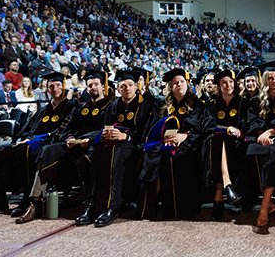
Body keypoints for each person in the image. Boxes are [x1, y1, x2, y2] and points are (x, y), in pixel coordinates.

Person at [14, 71, 111, 224]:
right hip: (73, 144)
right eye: (90, 85)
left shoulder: (110, 106)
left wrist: (90, 139)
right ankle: (36, 201)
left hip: (94, 146)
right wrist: (69, 138)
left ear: (103, 86)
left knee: (86, 159)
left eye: (96, 84)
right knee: (47, 150)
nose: (93, 88)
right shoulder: (81, 108)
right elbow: (68, 128)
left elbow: (106, 129)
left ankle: (90, 203)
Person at [0, 71, 76, 216]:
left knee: (25, 152)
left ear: (63, 87)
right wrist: (26, 138)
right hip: (32, 142)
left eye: (58, 85)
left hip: (51, 145)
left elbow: (65, 130)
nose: (55, 89)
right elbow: (28, 128)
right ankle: (0, 199)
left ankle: (26, 200)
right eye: (51, 86)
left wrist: (38, 139)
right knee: (1, 151)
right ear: (47, 89)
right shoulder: (43, 110)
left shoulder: (71, 107)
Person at [76, 68, 158, 227]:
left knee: (116, 154)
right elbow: (105, 126)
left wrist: (125, 136)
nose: (126, 88)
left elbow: (147, 133)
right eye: (122, 86)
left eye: (130, 85)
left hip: (134, 146)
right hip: (111, 143)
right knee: (98, 152)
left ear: (136, 86)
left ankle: (112, 206)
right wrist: (108, 134)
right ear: (118, 89)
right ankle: (92, 204)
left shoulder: (148, 106)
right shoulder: (113, 106)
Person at [139, 68, 205, 220]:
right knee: (153, 159)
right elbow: (155, 126)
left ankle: (183, 210)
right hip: (164, 142)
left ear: (187, 84)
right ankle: (151, 208)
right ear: (170, 86)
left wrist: (184, 136)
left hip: (188, 143)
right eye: (175, 83)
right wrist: (163, 138)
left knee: (180, 158)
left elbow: (199, 128)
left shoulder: (197, 104)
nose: (178, 85)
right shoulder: (163, 105)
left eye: (181, 82)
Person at [246, 61, 275, 234]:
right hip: (259, 136)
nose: (274, 81)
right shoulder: (255, 100)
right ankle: (271, 203)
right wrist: (262, 134)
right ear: (265, 80)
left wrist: (272, 132)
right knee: (251, 154)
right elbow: (252, 120)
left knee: (274, 155)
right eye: (270, 78)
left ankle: (264, 207)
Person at [202, 69, 248, 221]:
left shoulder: (242, 102)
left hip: (237, 141)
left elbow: (245, 125)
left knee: (220, 141)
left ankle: (218, 196)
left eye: (230, 82)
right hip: (216, 140)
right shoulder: (212, 103)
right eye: (223, 83)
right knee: (217, 139)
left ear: (234, 83)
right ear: (219, 86)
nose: (227, 85)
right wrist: (226, 129)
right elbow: (208, 125)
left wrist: (239, 132)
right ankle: (227, 184)